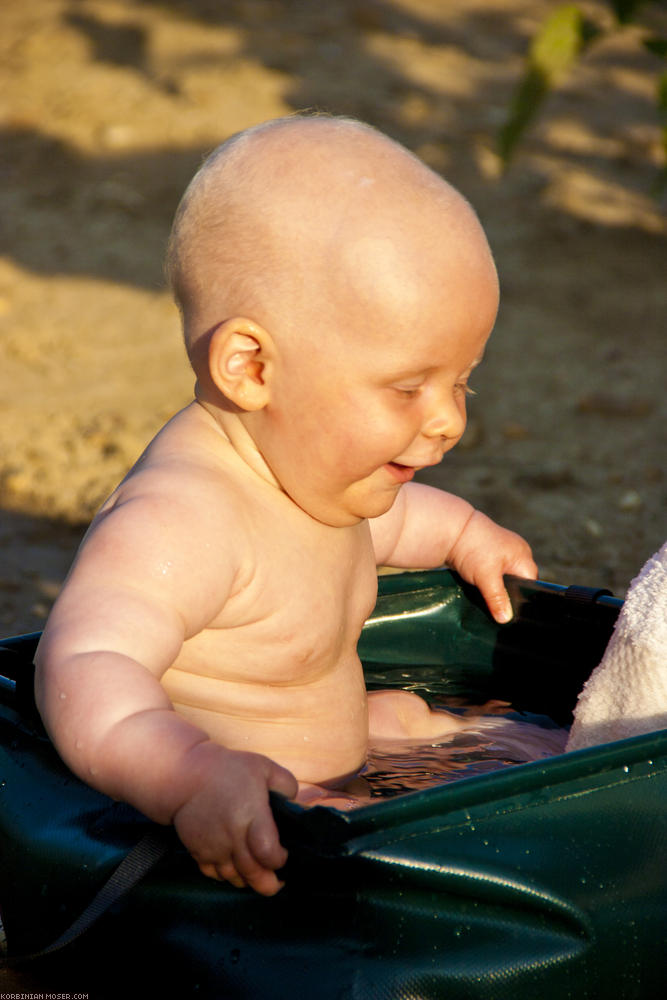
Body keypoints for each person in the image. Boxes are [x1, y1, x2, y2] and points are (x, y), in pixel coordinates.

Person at [34, 114, 537, 898]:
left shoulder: (308, 470)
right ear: (250, 366)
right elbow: (85, 665)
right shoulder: (181, 521)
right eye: (408, 387)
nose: (448, 420)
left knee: (437, 722)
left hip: (339, 762)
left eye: (460, 383)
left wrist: (465, 533)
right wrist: (191, 776)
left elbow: (393, 525)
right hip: (258, 819)